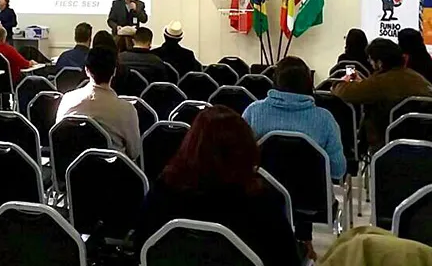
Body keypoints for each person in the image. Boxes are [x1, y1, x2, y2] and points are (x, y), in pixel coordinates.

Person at [135, 106, 301, 266]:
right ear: (246, 149)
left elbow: (141, 248)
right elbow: (288, 260)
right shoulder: (263, 204)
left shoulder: (162, 193)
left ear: (191, 144)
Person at [243, 56, 346, 257]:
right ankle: (303, 242)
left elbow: (241, 158)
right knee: (301, 182)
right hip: (313, 203)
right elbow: (338, 169)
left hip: (261, 198)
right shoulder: (324, 120)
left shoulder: (254, 112)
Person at [333, 38, 431, 149]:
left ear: (379, 63)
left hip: (385, 141)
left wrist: (340, 83)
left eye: (371, 60)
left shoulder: (380, 82)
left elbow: (347, 93)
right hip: (422, 141)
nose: (370, 63)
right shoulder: (418, 78)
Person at [56, 46, 140, 159]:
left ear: (86, 70)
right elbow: (134, 153)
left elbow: (57, 138)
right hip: (112, 175)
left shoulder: (67, 99)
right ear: (114, 71)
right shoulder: (127, 110)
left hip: (70, 172)